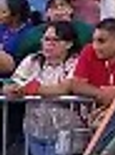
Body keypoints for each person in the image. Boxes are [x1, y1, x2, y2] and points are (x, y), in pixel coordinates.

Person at [4, 22, 83, 155]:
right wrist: (9, 89)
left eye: (55, 40)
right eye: (46, 39)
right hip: (35, 132)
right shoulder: (32, 60)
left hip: (67, 134)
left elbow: (64, 89)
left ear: (69, 44)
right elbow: (13, 83)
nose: (49, 44)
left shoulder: (77, 62)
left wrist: (31, 89)